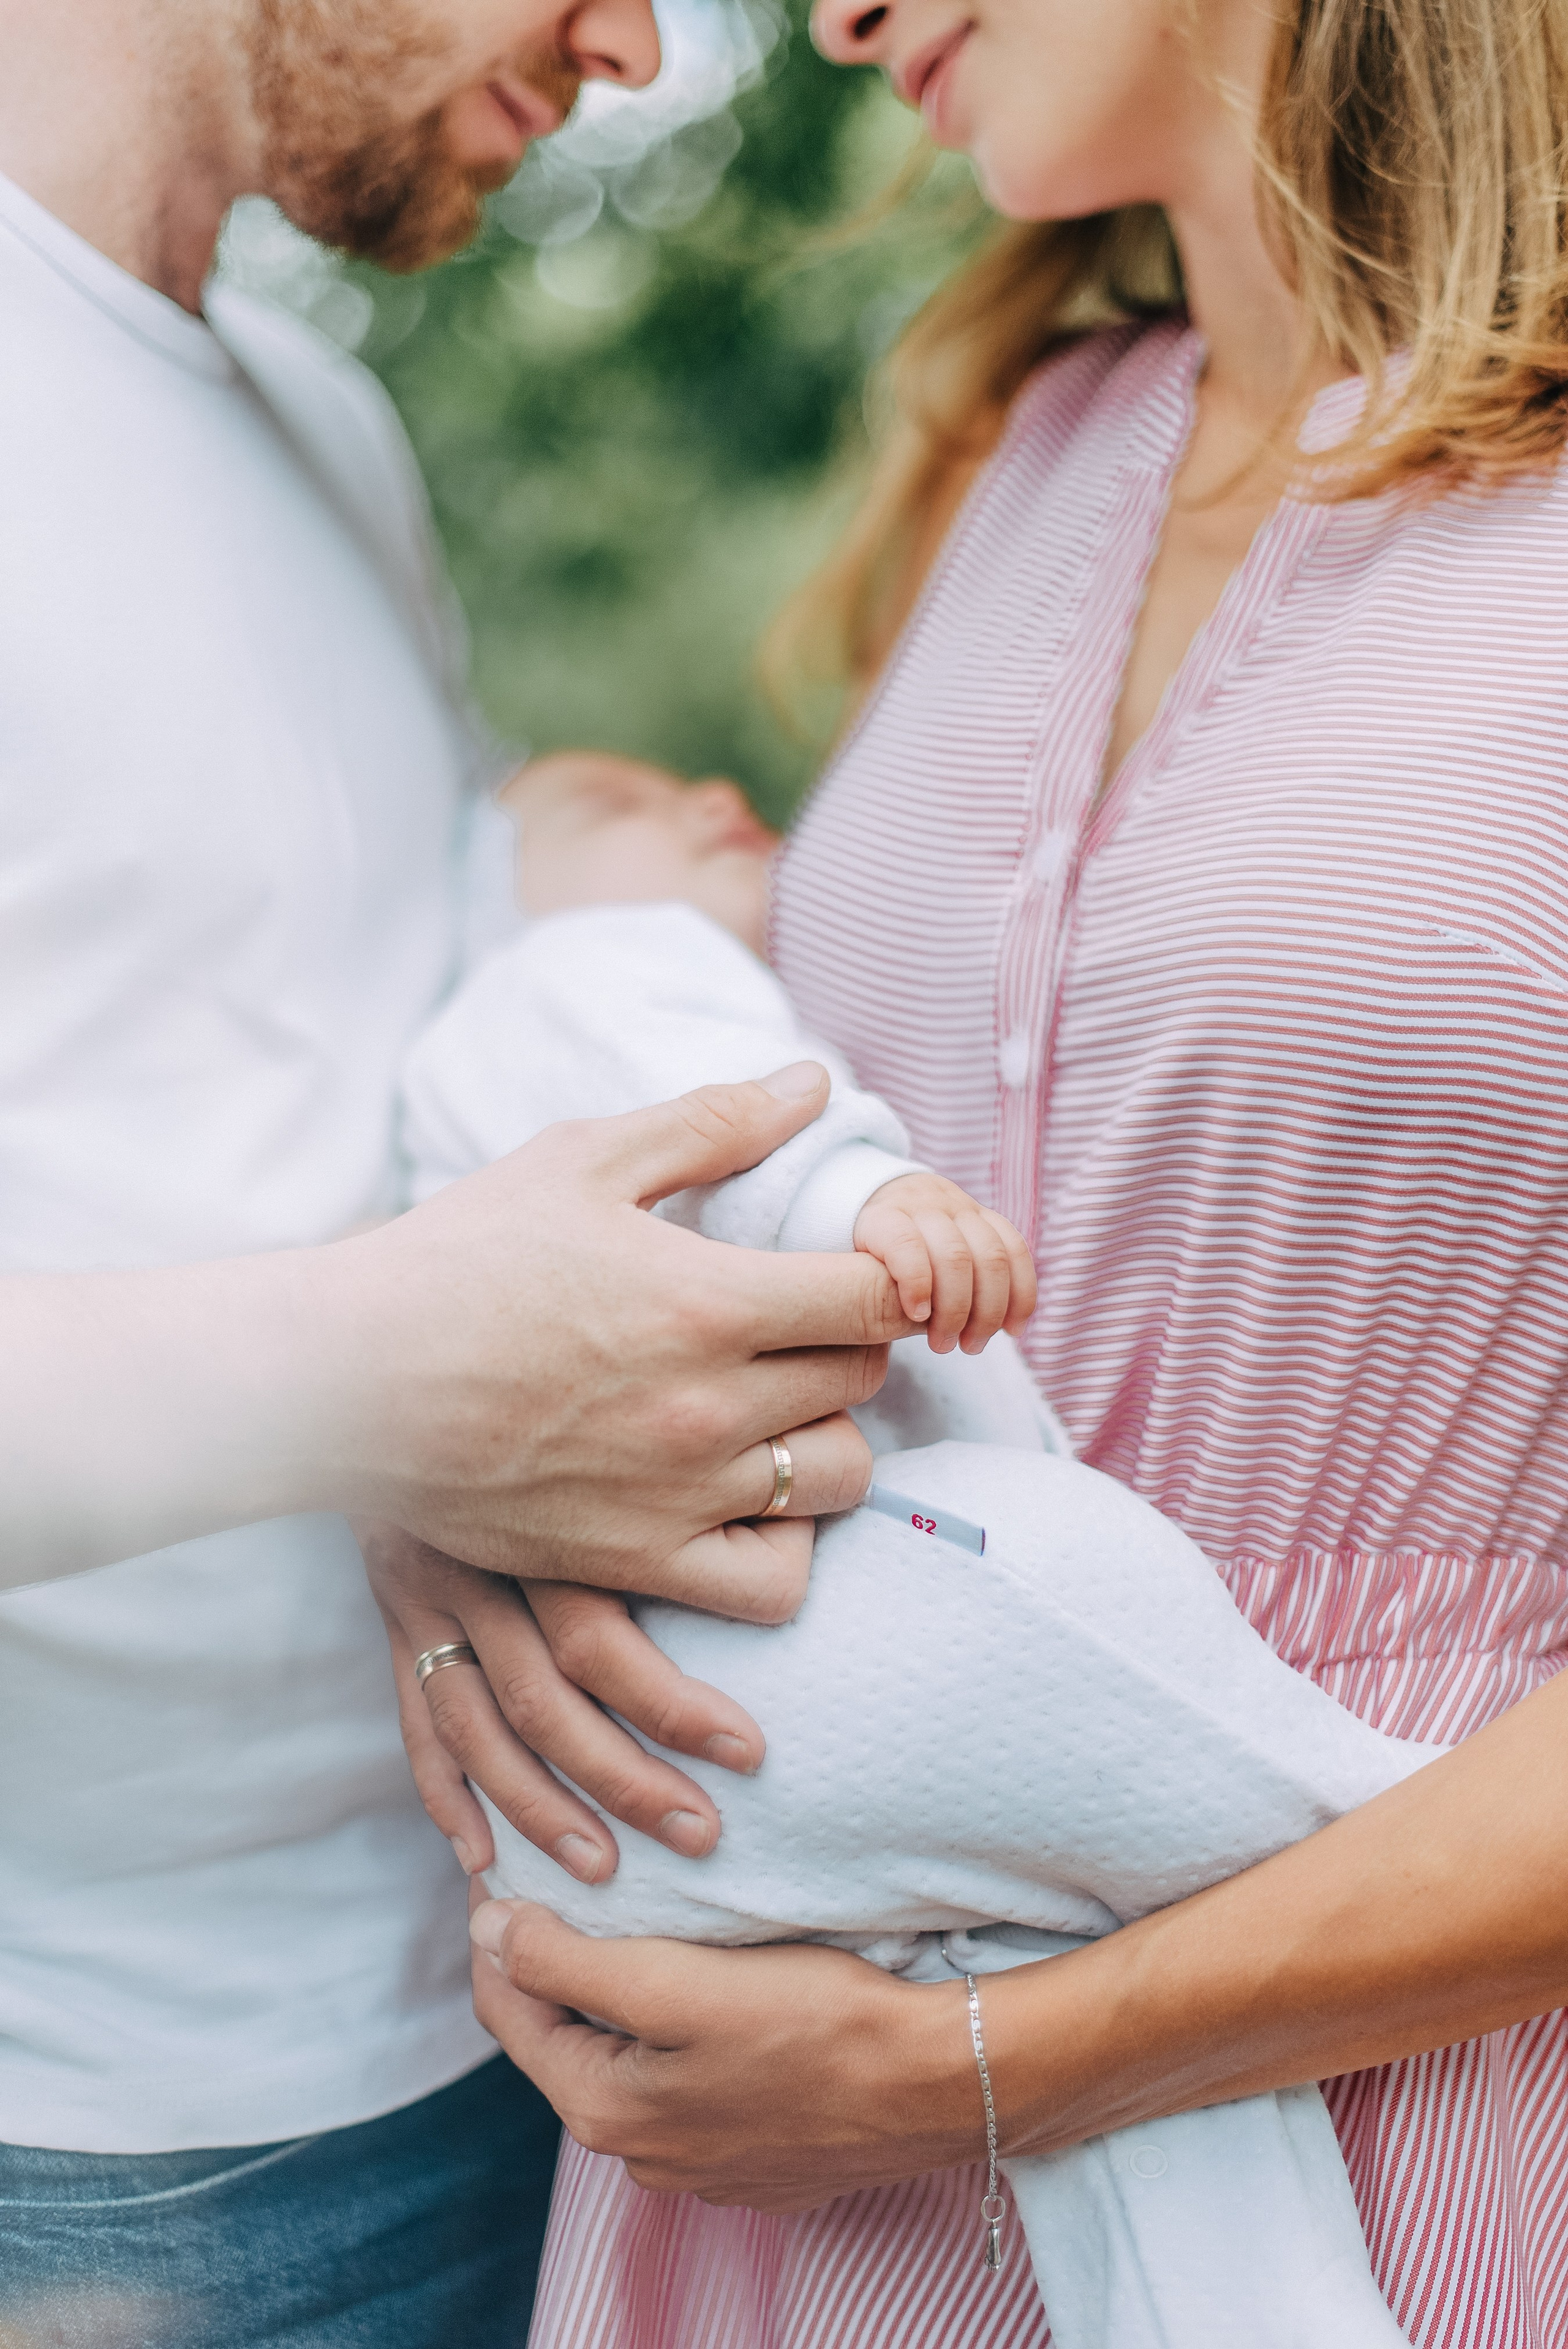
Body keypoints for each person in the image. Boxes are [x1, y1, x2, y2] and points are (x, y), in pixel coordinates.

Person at [462, 1, 1568, 2343]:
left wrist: (981, 2067)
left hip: (1428, 2085)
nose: (834, 14)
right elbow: (776, 1139)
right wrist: (484, 1511)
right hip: (793, 2134)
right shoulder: (1042, 447)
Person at [0, 6, 900, 2344]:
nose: (630, 47)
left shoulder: (317, 416)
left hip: (540, 2028)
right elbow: (380, 1338)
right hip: (105, 2170)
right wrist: (390, 1374)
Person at [391, 748, 1435, 2349]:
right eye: (635, 798)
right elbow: (714, 1113)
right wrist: (865, 1197)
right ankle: (1383, 1818)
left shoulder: (436, 1095)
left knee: (1118, 2065)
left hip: (650, 1800)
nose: (723, 807)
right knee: (1061, 1574)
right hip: (751, 1668)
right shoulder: (582, 960)